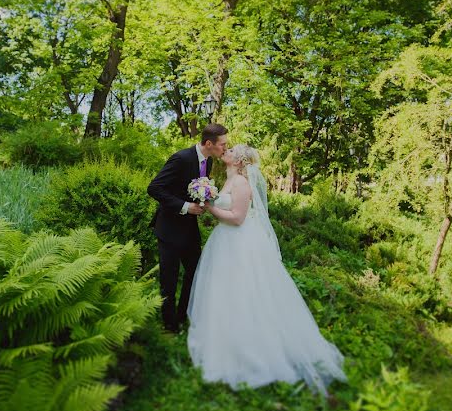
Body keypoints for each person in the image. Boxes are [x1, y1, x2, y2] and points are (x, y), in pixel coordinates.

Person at [187, 144, 347, 394]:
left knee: (245, 291)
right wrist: (206, 198)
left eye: (231, 151)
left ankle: (250, 346)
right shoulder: (228, 179)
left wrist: (209, 208)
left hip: (239, 242)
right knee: (225, 291)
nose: (226, 151)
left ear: (238, 161)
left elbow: (238, 218)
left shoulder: (241, 184)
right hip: (224, 241)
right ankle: (225, 338)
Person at [147, 123, 228, 333]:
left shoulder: (208, 162)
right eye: (223, 145)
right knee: (169, 280)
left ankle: (183, 315)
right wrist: (185, 207)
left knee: (195, 273)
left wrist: (202, 201)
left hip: (190, 230)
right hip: (169, 229)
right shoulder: (181, 158)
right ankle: (169, 326)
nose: (225, 149)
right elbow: (154, 188)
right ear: (209, 143)